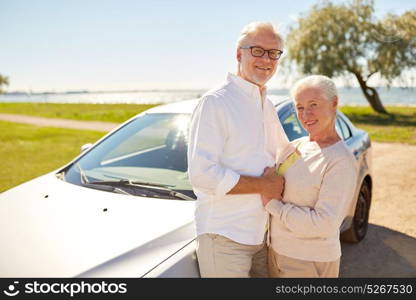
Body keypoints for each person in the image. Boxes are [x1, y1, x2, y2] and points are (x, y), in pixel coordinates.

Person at [187, 21, 289, 277]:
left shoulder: (266, 104)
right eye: (257, 50)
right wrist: (264, 186)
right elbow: (202, 175)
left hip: (263, 235)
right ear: (238, 54)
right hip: (225, 238)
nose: (266, 59)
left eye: (273, 53)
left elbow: (285, 156)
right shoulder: (216, 102)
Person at [263, 75, 358, 278]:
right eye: (299, 107)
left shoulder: (340, 161)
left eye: (313, 104)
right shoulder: (295, 147)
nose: (306, 114)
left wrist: (272, 205)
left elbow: (324, 224)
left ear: (334, 104)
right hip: (276, 253)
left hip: (309, 262)